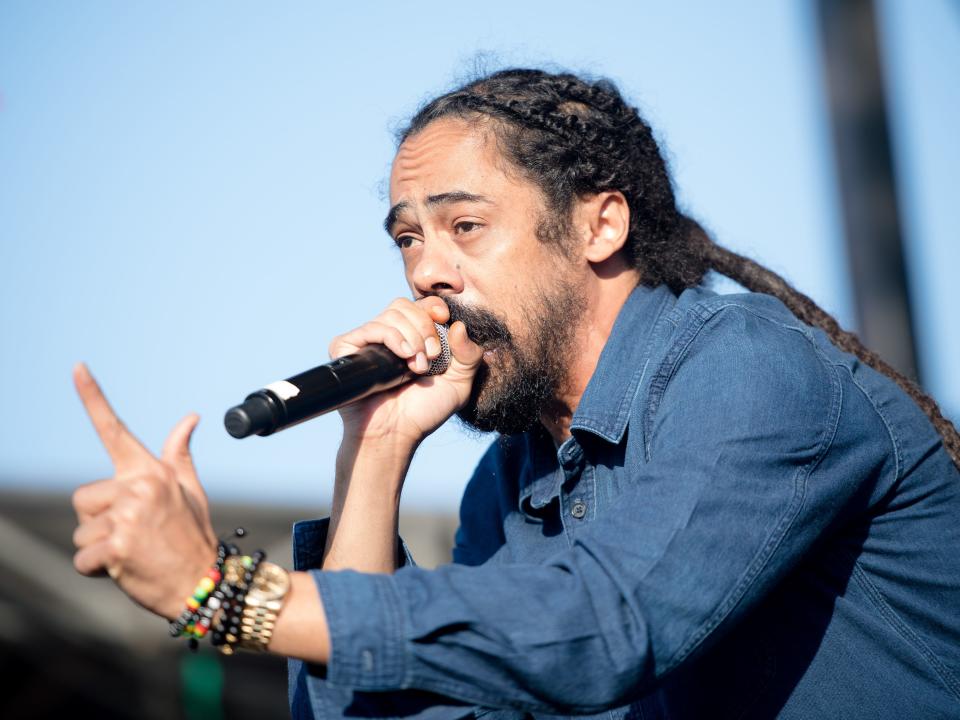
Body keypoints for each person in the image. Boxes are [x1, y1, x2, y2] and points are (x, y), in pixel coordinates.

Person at [71, 68, 960, 719]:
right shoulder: (510, 484)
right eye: (407, 239)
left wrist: (223, 593)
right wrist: (373, 449)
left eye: (465, 227)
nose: (427, 273)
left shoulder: (748, 371)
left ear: (599, 224)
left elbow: (605, 626)